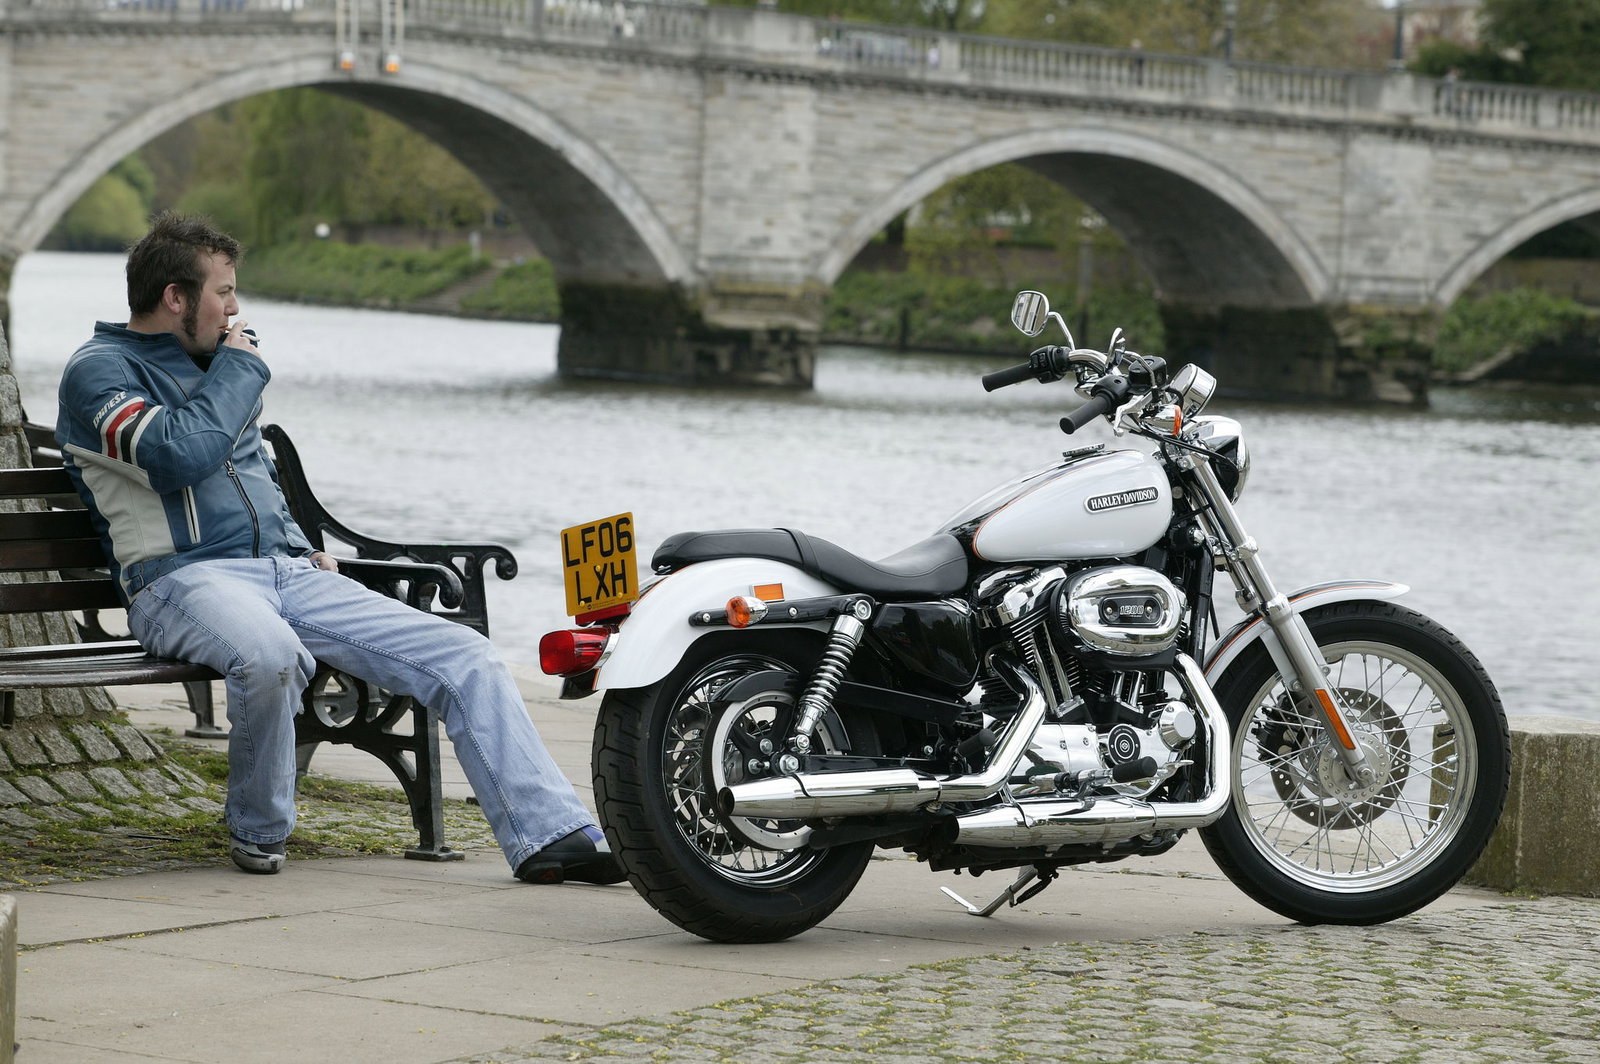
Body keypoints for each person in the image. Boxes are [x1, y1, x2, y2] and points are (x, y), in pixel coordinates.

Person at [55, 211, 622, 885]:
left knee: (466, 656)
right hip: (181, 582)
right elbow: (179, 455)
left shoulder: (218, 364)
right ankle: (259, 829)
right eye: (223, 292)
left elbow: (249, 469)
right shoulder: (100, 373)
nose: (236, 309)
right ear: (175, 297)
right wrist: (239, 371)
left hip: (287, 574)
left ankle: (552, 835)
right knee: (269, 656)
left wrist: (297, 542)